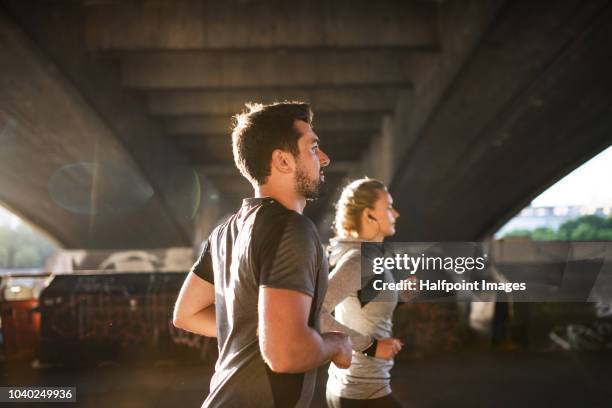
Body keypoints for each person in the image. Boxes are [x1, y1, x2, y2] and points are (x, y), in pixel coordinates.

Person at [173, 102, 353, 408]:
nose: (324, 158)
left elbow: (185, 314)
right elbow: (286, 354)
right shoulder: (293, 230)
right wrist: (336, 343)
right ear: (283, 160)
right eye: (313, 148)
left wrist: (268, 329)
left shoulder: (225, 232)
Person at [321, 178, 408, 408]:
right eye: (388, 207)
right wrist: (371, 346)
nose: (395, 213)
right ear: (369, 215)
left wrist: (400, 297)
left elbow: (362, 306)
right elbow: (313, 313)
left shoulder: (368, 255)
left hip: (356, 388)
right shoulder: (359, 260)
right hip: (361, 391)